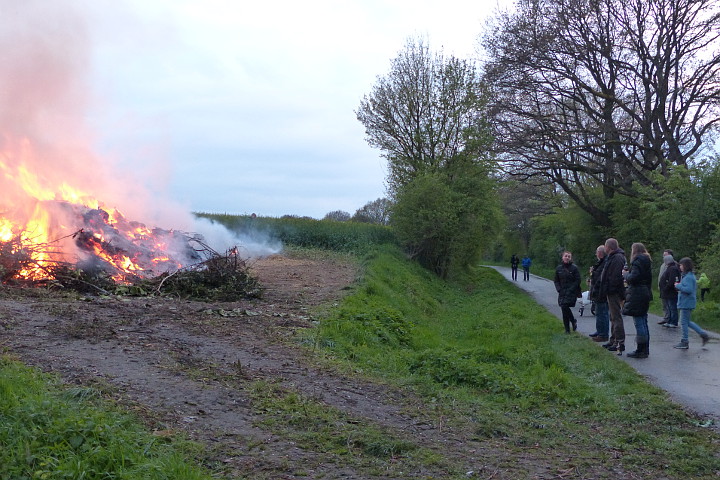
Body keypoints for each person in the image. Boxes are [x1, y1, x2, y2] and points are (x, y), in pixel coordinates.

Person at [623, 243, 653, 359]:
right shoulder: (646, 261)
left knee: (639, 321)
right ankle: (646, 348)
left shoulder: (637, 262)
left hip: (638, 293)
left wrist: (626, 275)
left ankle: (641, 349)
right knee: (644, 321)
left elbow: (634, 278)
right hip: (645, 291)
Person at [674, 257, 711, 349]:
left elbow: (689, 289)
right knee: (687, 322)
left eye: (681, 265)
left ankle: (685, 341)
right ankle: (703, 335)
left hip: (686, 303)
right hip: (686, 302)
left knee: (683, 322)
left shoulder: (689, 277)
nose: (680, 267)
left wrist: (678, 286)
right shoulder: (688, 276)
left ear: (685, 266)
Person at [599, 238, 627, 354]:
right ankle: (613, 340)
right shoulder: (614, 257)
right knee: (613, 316)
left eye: (605, 246)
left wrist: (609, 288)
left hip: (614, 291)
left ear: (608, 247)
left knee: (616, 317)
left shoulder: (617, 258)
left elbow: (615, 277)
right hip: (611, 291)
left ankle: (619, 342)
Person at [554, 251, 582, 333]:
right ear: (562, 257)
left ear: (571, 258)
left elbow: (578, 280)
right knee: (563, 308)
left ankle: (572, 322)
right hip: (562, 291)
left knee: (564, 306)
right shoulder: (559, 268)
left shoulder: (574, 268)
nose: (567, 257)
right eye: (565, 256)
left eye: (569, 256)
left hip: (571, 292)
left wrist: (572, 289)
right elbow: (556, 280)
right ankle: (568, 328)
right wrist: (558, 289)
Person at [588, 245, 609, 342]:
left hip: (601, 291)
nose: (596, 254)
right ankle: (599, 331)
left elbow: (600, 278)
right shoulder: (601, 263)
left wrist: (593, 273)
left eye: (597, 252)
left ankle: (603, 334)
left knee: (602, 313)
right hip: (598, 291)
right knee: (599, 313)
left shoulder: (604, 263)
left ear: (600, 253)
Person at [659, 254, 680, 328]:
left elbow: (672, 280)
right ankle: (669, 320)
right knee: (669, 307)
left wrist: (666, 287)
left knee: (672, 307)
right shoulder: (670, 268)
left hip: (670, 292)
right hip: (667, 292)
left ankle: (674, 322)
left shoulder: (673, 269)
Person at [657, 248, 674, 325]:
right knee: (664, 304)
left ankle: (670, 319)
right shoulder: (662, 265)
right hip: (662, 287)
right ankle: (666, 317)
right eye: (663, 255)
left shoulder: (673, 265)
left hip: (668, 288)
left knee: (669, 304)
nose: (664, 257)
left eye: (665, 255)